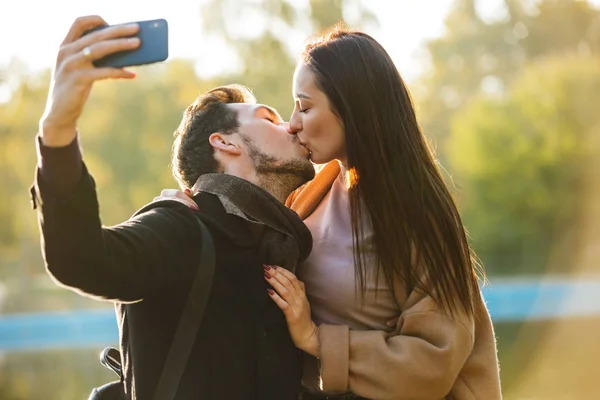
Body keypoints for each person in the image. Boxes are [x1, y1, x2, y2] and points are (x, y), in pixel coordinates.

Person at [30, 16, 316, 400]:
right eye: (269, 117)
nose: (292, 126)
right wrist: (58, 126)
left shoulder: (282, 248)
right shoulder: (181, 225)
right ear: (226, 142)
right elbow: (81, 260)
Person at [264, 25, 503, 399]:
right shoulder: (306, 196)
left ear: (351, 107)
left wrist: (316, 339)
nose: (293, 123)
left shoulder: (416, 213)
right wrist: (194, 202)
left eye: (305, 106)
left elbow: (432, 359)